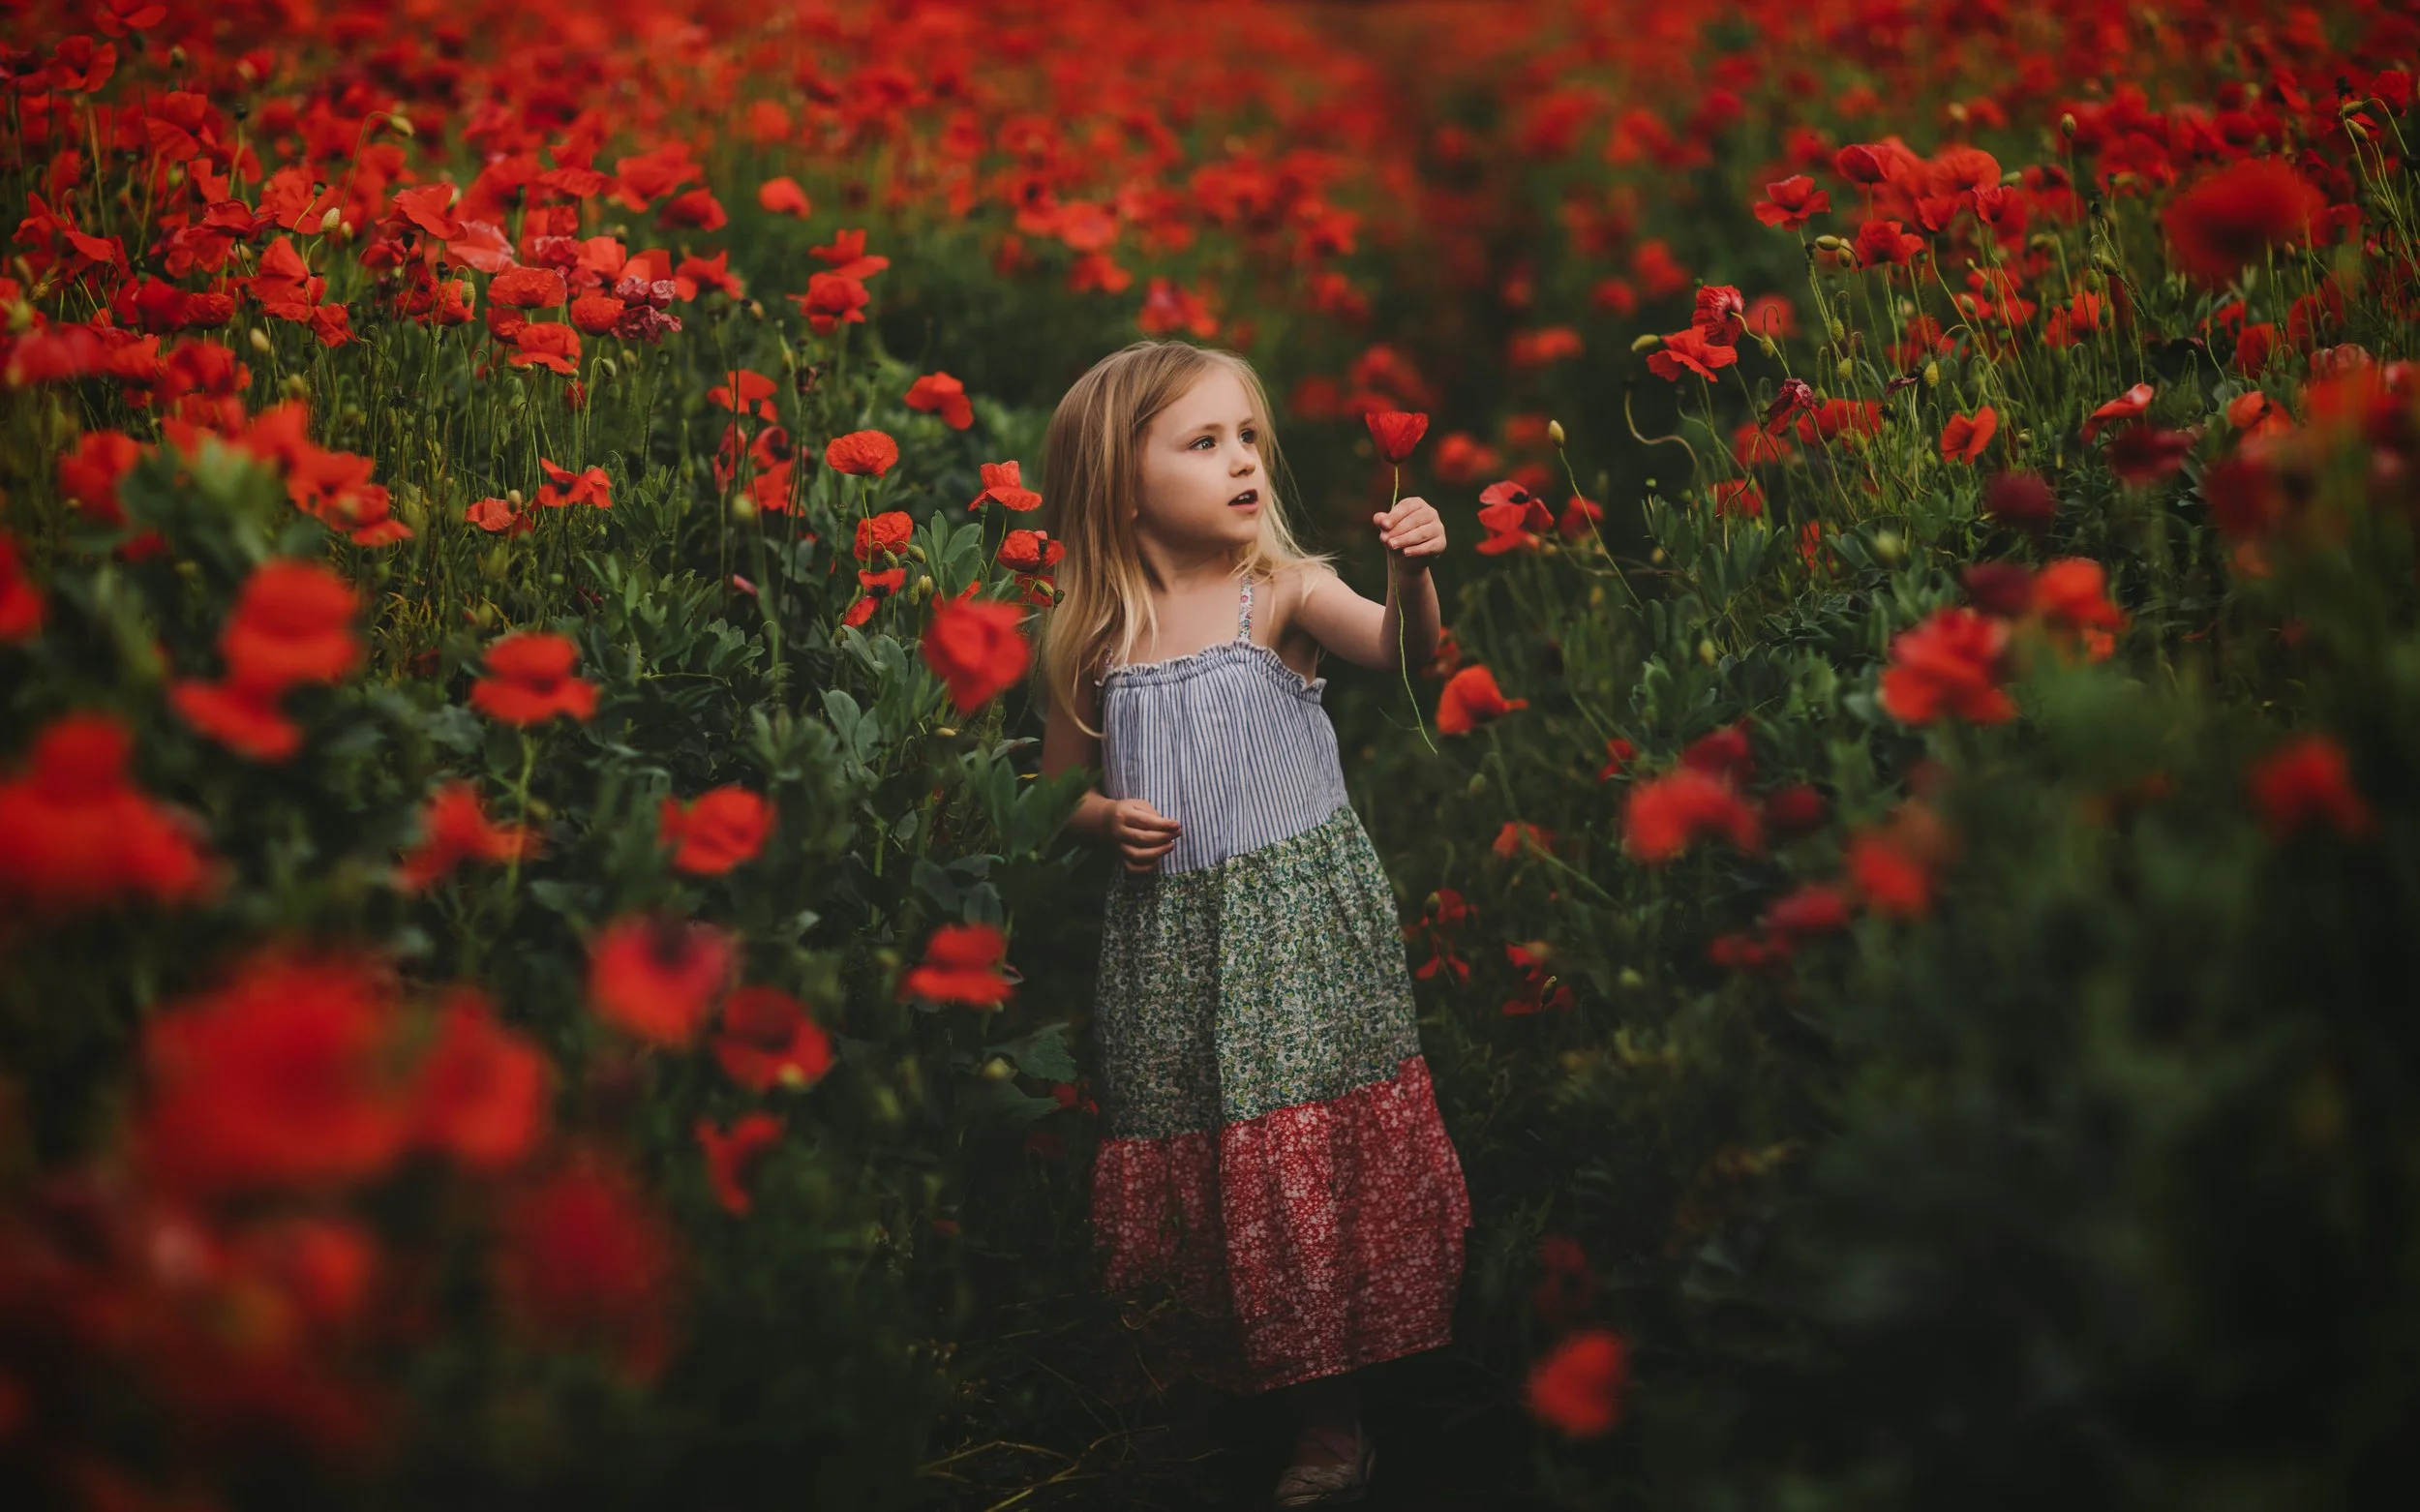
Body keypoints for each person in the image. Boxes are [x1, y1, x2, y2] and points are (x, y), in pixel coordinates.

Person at [1032, 339, 1473, 1506]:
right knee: (1188, 1150)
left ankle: (1331, 1422)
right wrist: (1099, 818)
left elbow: (1399, 654)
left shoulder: (1276, 590)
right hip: (1168, 942)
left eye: (1248, 440)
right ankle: (1187, 1396)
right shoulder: (1091, 633)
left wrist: (1417, 574)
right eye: (1203, 442)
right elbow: (1047, 787)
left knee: (1297, 1149)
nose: (1242, 463)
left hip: (1295, 927)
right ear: (1121, 484)